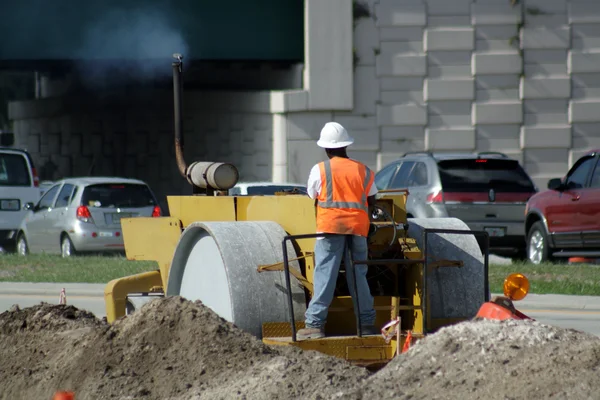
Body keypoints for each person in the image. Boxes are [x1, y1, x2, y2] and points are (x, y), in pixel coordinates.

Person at [296, 122, 378, 340]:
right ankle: (367, 324)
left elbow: (312, 195)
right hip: (358, 229)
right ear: (346, 146)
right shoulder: (363, 170)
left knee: (325, 274)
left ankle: (314, 325)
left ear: (326, 148)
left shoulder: (320, 169)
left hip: (330, 227)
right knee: (358, 275)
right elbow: (372, 197)